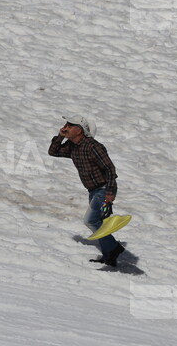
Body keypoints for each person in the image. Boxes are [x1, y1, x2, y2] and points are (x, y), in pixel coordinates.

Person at [48, 115, 125, 268]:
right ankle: (109, 256)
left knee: (90, 220)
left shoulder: (93, 146)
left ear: (79, 130)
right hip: (93, 190)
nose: (66, 127)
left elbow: (110, 169)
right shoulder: (73, 146)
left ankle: (114, 248)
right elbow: (53, 152)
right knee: (100, 222)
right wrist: (59, 136)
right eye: (66, 124)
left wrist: (109, 193)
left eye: (70, 125)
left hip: (104, 189)